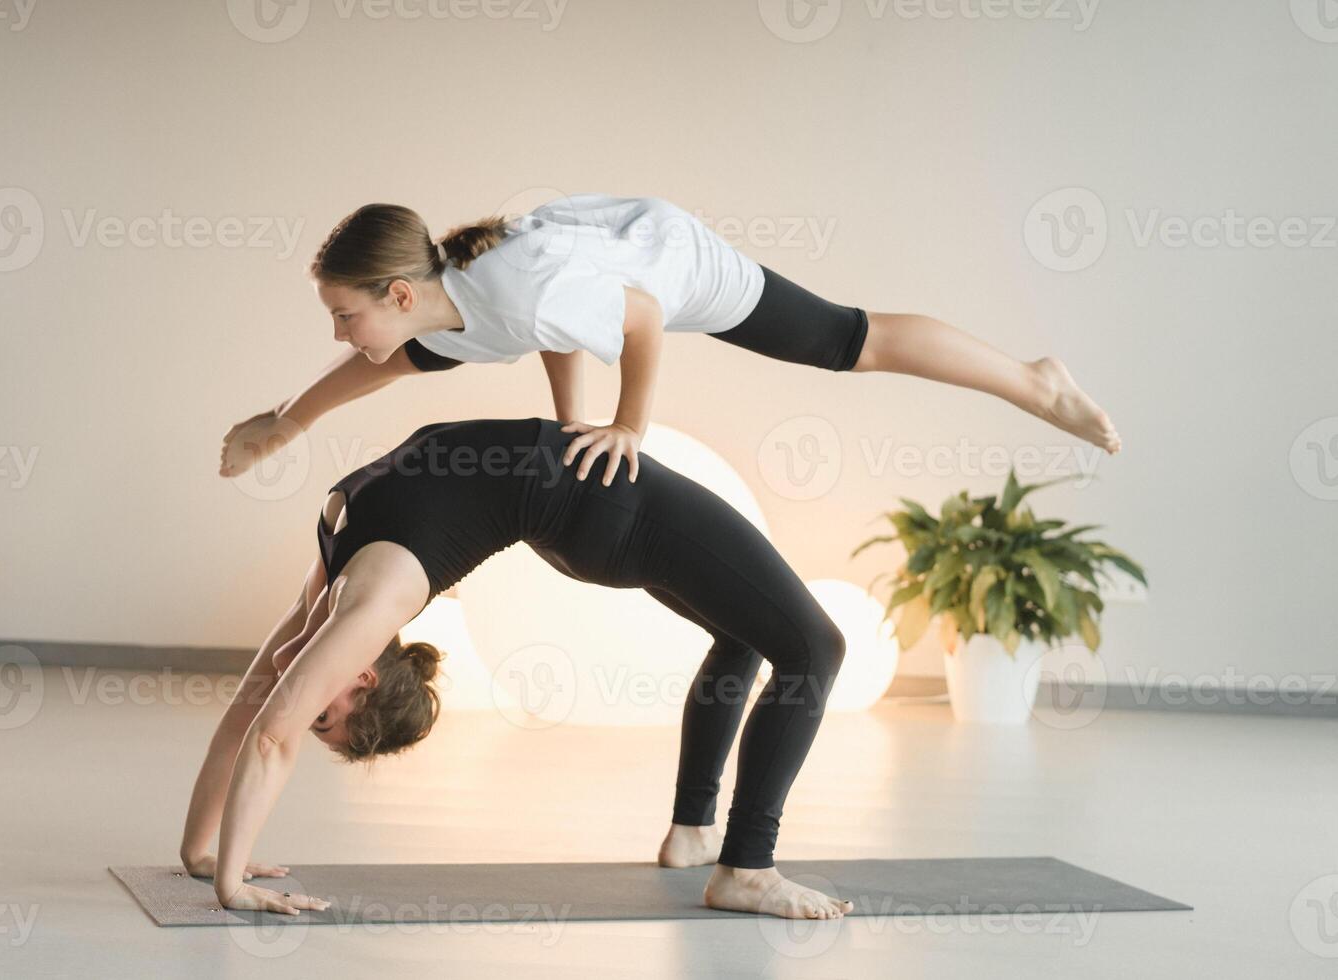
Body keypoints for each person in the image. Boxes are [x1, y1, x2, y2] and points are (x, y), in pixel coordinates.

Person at [182, 417, 856, 920]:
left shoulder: (341, 602)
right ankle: (748, 869)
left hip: (589, 512)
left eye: (320, 718)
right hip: (610, 511)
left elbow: (260, 722)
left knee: (746, 633)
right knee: (815, 648)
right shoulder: (361, 602)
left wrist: (207, 857)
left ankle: (693, 830)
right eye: (319, 718)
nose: (304, 705)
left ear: (359, 677)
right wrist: (228, 878)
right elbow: (265, 729)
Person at [219, 193, 1121, 486]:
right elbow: (392, 365)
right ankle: (1031, 379)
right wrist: (283, 425)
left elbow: (639, 320)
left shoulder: (509, 295)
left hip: (677, 266)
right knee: (855, 342)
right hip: (607, 254)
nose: (342, 333)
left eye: (346, 313)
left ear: (401, 291)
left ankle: (1034, 382)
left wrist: (624, 430)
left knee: (854, 342)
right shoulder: (454, 313)